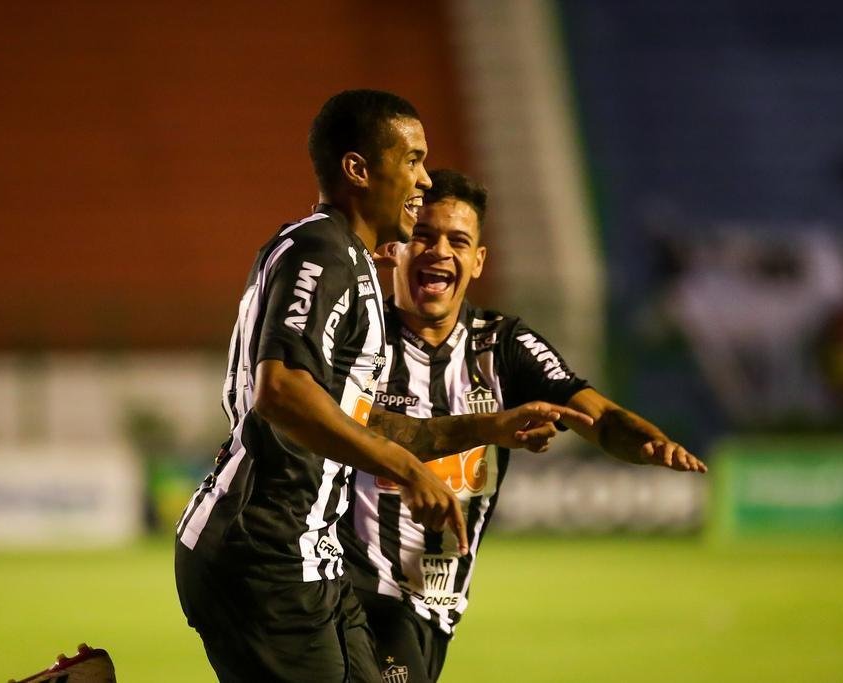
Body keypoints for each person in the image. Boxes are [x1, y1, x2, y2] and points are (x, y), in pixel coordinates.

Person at [174, 93, 588, 683]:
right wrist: (407, 467)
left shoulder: (351, 260)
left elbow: (360, 421)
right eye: (413, 159)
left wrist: (486, 428)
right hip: (265, 550)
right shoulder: (323, 250)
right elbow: (281, 390)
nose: (424, 179)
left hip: (313, 557)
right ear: (358, 170)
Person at [340, 169, 707, 683]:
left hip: (435, 603)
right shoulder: (357, 333)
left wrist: (646, 441)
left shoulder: (503, 345)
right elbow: (340, 421)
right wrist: (489, 427)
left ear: (477, 261)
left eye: (458, 241)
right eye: (423, 235)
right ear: (396, 248)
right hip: (353, 589)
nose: (439, 251)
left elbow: (594, 414)